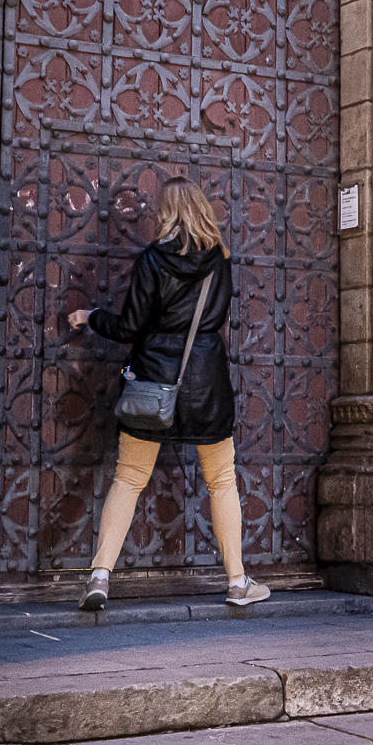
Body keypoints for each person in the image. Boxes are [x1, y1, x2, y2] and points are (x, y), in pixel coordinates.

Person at [66, 178, 269, 610]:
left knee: (128, 478)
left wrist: (92, 316)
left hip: (155, 380)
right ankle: (237, 582)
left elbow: (130, 328)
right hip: (207, 381)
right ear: (200, 209)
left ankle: (100, 577)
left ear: (166, 213)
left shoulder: (152, 260)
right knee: (222, 480)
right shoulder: (222, 262)